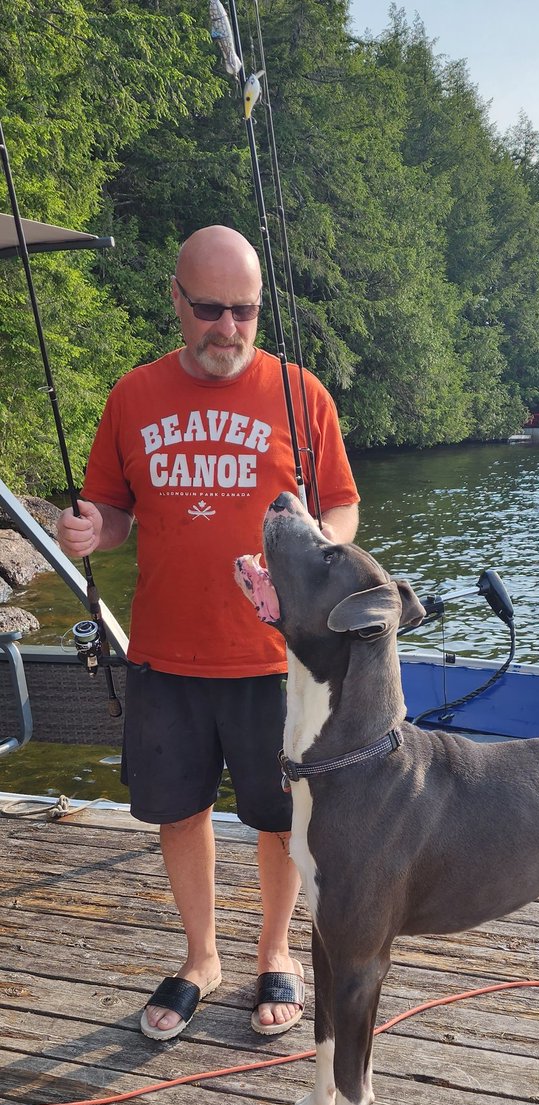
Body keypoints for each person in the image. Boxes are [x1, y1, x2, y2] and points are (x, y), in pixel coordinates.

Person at [57, 226, 359, 1040]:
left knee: (277, 815)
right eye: (211, 310)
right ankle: (201, 958)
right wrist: (92, 532)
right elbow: (114, 513)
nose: (229, 329)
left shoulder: (302, 395)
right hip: (167, 652)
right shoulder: (132, 396)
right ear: (176, 300)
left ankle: (275, 954)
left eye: (246, 312)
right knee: (178, 811)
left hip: (271, 656)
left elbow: (341, 501)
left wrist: (325, 547)